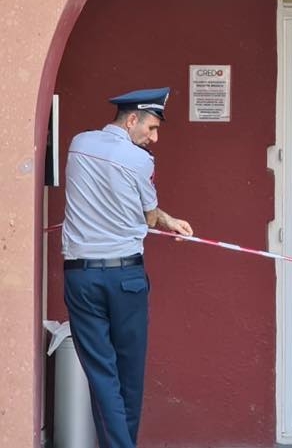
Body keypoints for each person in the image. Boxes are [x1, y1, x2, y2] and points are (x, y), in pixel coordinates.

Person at [61, 87, 193, 448]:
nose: (154, 138)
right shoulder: (139, 161)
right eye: (151, 128)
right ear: (132, 119)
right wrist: (169, 220)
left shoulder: (78, 144)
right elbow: (149, 217)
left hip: (81, 275)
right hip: (126, 278)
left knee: (101, 375)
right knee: (129, 376)